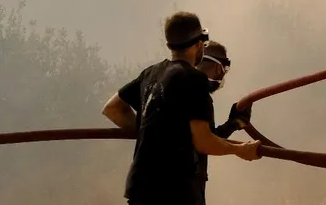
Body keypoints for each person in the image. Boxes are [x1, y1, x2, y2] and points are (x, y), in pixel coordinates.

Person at [102, 12, 261, 205]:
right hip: (175, 191)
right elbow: (203, 141)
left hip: (141, 188)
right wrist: (240, 150)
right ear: (199, 44)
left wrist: (150, 135)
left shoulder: (151, 73)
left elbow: (113, 109)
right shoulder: (194, 79)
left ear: (169, 45)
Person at [193, 41, 253, 205]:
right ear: (219, 68)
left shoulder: (163, 80)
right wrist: (240, 148)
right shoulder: (198, 94)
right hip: (180, 188)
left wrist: (233, 123)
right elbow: (207, 142)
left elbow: (204, 137)